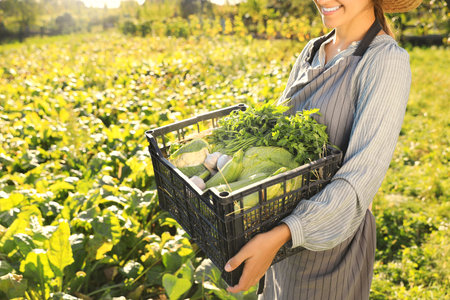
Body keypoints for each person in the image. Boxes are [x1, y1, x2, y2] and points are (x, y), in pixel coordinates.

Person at [224, 0, 422, 299]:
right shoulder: (312, 50)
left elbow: (360, 179)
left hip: (330, 246)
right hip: (280, 238)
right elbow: (279, 139)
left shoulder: (384, 61)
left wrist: (282, 235)